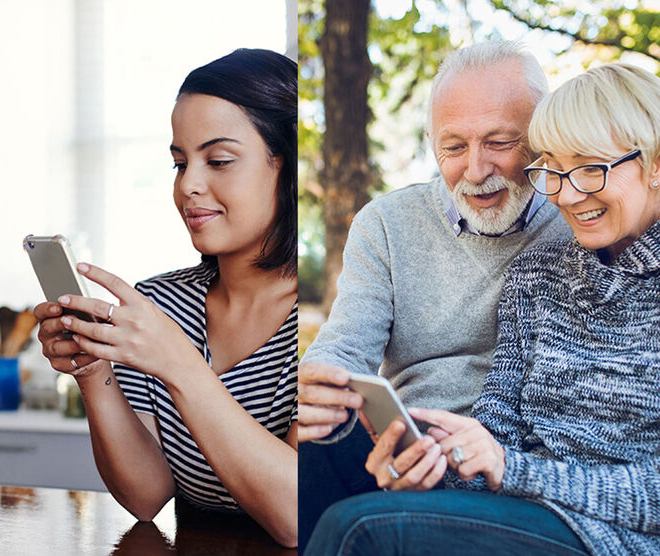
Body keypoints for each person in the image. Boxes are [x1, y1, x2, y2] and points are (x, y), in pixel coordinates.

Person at [312, 61, 660, 556]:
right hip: (524, 506)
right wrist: (437, 463)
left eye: (589, 169)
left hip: (612, 535)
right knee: (321, 461)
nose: (568, 192)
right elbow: (498, 425)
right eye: (555, 170)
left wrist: (508, 468)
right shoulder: (542, 271)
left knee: (360, 530)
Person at [296, 40, 572, 545]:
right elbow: (346, 343)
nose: (475, 169)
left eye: (499, 142)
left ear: (541, 138)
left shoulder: (578, 221)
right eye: (454, 146)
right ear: (431, 144)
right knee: (313, 438)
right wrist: (321, 382)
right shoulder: (385, 224)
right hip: (403, 444)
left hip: (511, 460)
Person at [33, 48, 298, 547]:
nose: (188, 186)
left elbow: (296, 515)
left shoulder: (325, 316)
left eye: (218, 160)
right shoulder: (159, 304)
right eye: (180, 163)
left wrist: (177, 363)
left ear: (287, 166)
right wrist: (93, 371)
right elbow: (146, 496)